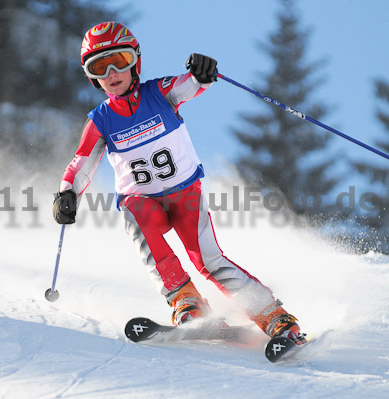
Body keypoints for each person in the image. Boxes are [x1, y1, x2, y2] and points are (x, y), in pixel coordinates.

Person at [52, 21, 305, 343]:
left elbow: (191, 85)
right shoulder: (101, 120)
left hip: (185, 194)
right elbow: (82, 162)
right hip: (143, 199)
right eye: (100, 66)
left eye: (120, 61)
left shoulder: (159, 93)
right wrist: (66, 193)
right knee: (137, 218)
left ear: (136, 62)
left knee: (208, 259)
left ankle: (274, 318)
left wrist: (202, 73)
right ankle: (186, 301)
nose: (112, 72)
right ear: (92, 77)